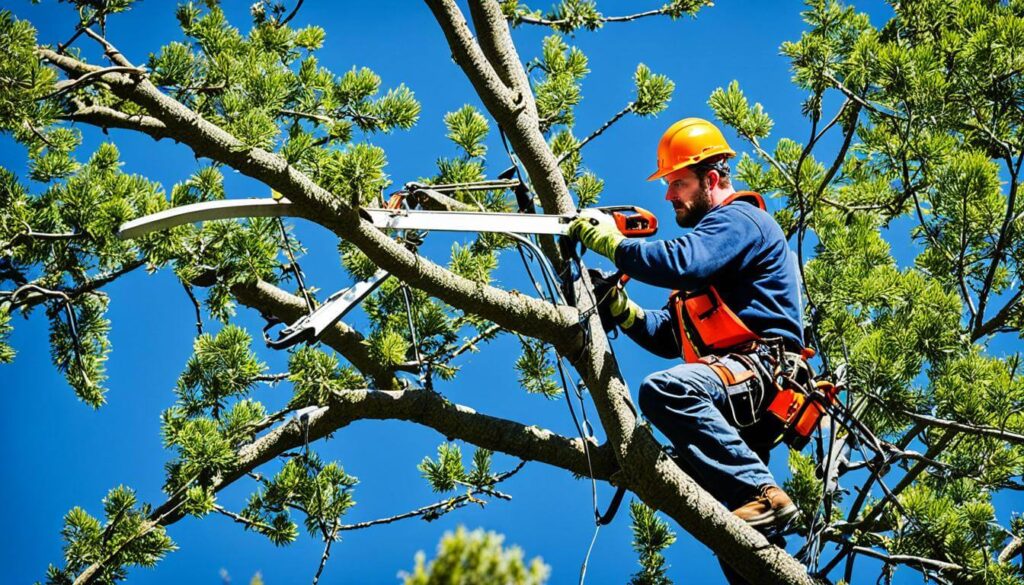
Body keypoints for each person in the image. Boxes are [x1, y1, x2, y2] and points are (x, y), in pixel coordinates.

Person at [569, 118, 807, 533]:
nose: (668, 195)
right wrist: (622, 309)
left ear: (711, 178)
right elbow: (672, 336)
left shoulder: (739, 221)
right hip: (734, 389)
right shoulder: (716, 254)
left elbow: (682, 262)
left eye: (678, 183)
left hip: (760, 371)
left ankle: (764, 494)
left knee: (667, 390)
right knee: (735, 532)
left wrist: (614, 245)